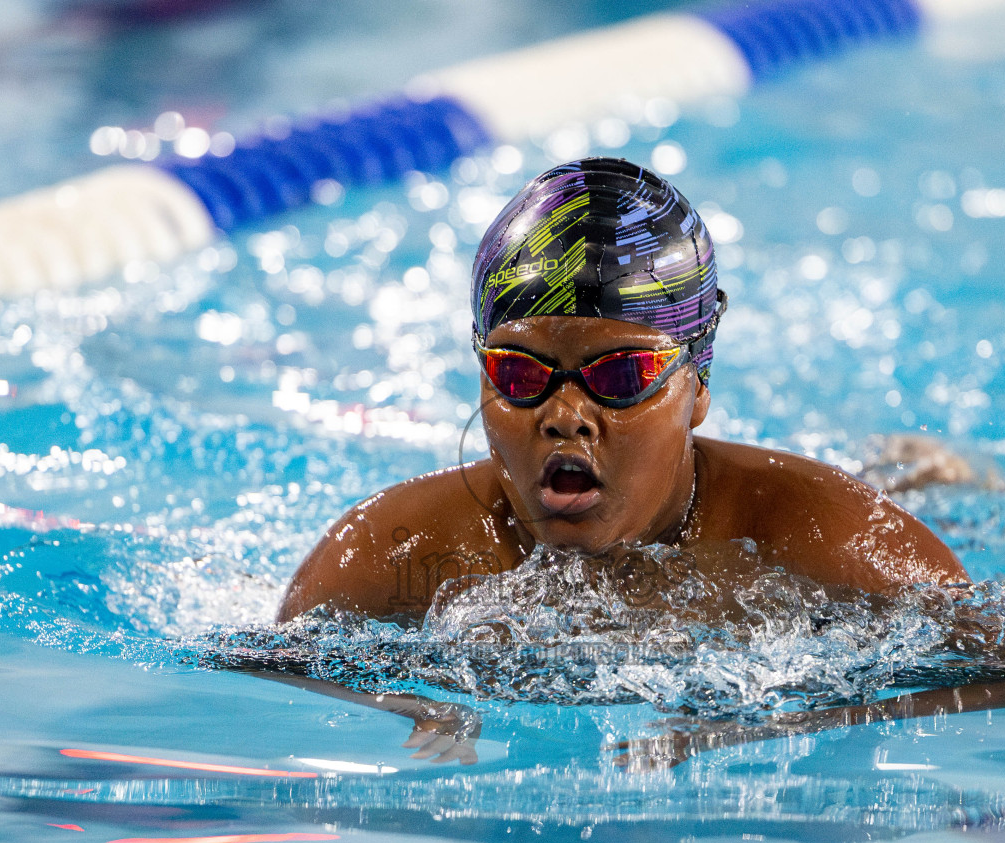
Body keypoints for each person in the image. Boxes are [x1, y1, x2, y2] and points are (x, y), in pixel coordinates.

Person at [279, 156, 967, 626]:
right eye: (521, 374)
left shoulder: (826, 538)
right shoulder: (393, 553)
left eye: (619, 376)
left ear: (696, 388)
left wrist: (771, 726)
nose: (566, 416)